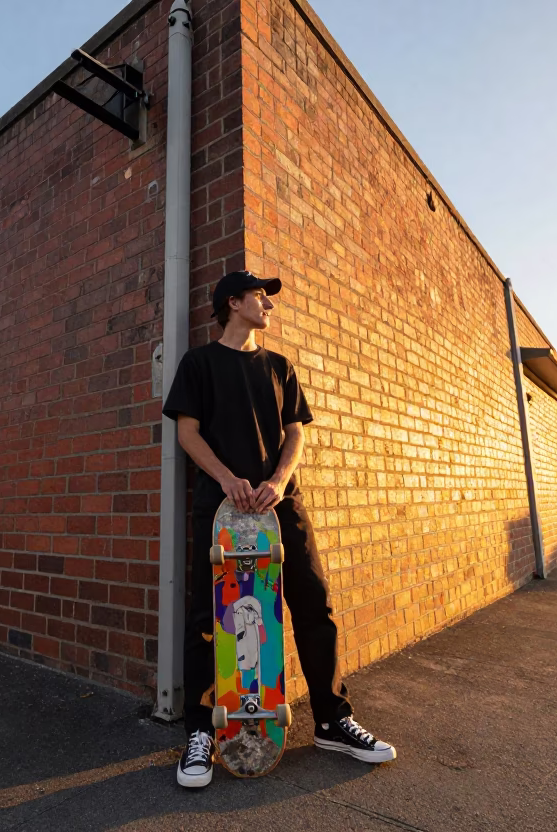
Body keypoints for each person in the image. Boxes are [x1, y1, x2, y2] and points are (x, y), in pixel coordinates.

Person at [163, 270, 397, 788]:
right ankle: (201, 732)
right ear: (232, 302)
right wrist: (227, 479)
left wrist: (278, 479)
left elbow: (295, 433)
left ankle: (333, 721)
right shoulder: (198, 363)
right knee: (208, 616)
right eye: (260, 297)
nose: (268, 305)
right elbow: (187, 431)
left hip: (279, 505)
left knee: (314, 604)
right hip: (221, 509)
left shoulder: (279, 365)